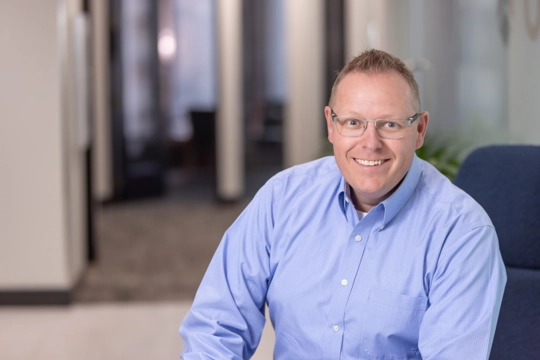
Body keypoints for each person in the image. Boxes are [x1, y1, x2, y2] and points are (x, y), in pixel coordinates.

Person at [179, 49, 506, 359]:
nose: (370, 143)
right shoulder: (283, 198)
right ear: (331, 125)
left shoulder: (462, 232)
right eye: (353, 122)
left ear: (418, 130)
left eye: (389, 124)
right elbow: (216, 327)